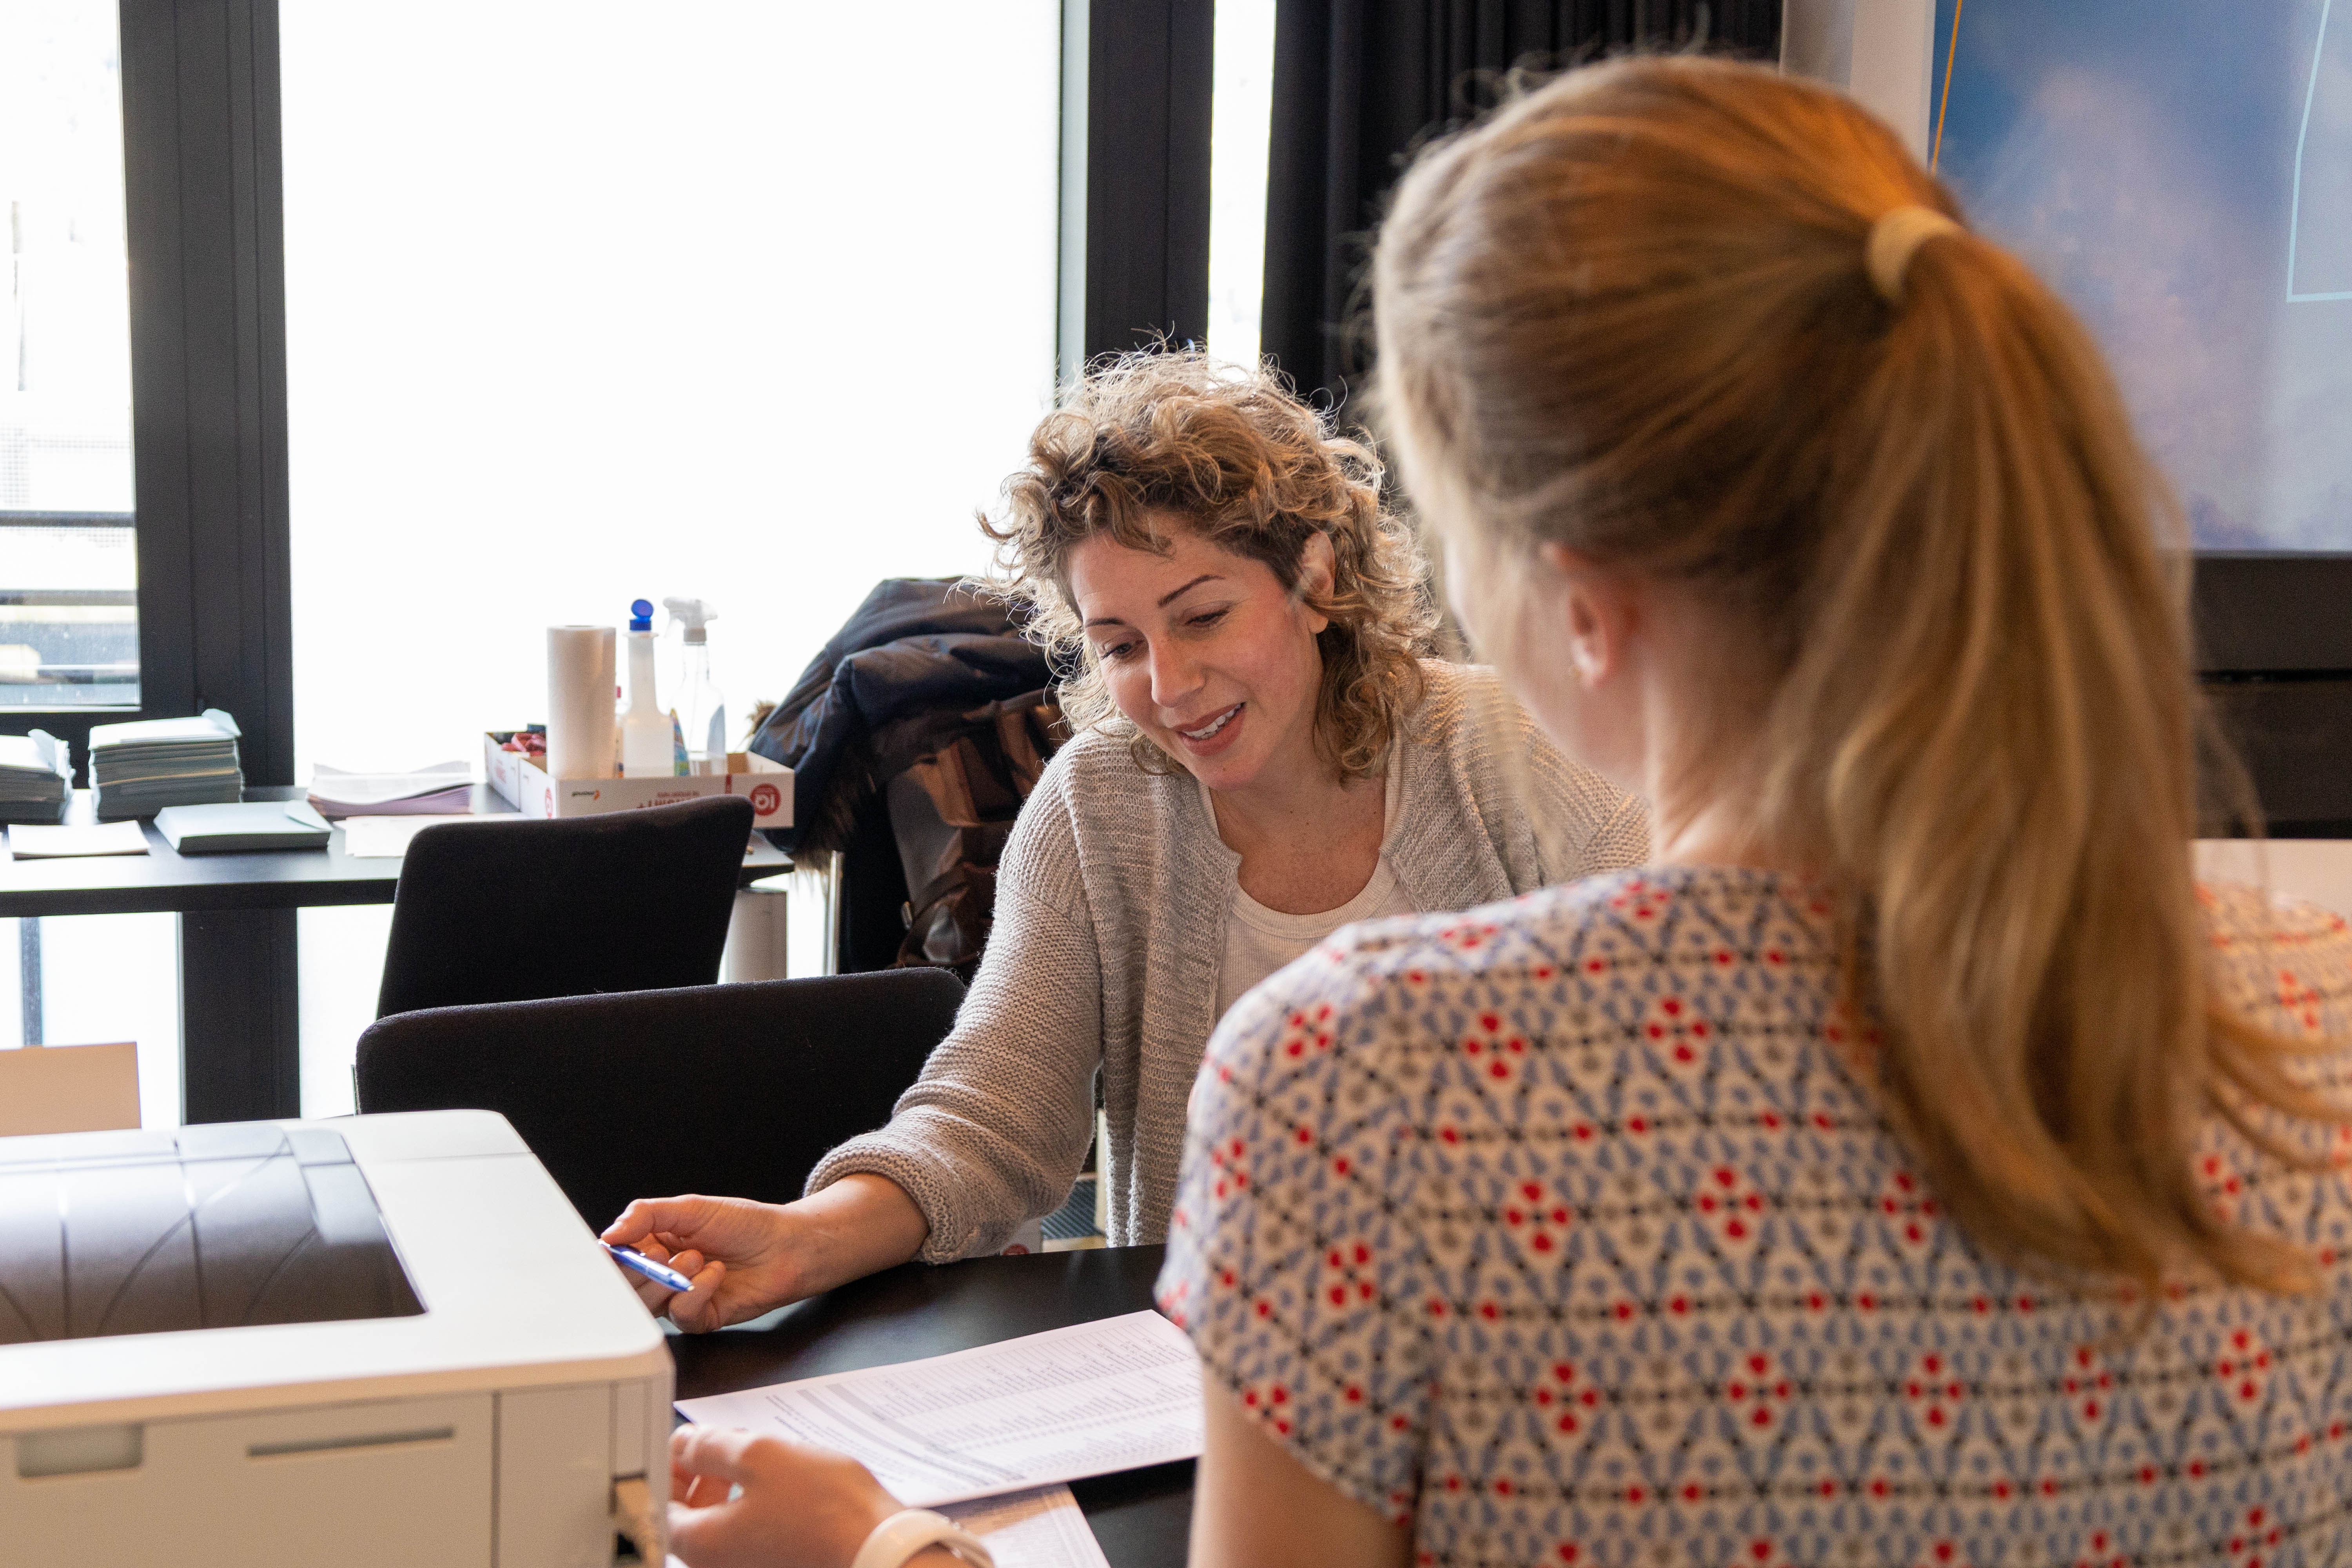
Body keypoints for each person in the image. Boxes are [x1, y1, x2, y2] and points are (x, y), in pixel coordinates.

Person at [651, 53, 2352, 1568]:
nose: (1164, 678)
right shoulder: (2320, 1020)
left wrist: (880, 1545)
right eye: (1120, 641)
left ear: (1576, 598)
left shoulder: (1362, 1091)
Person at [603, 350, 1646, 1338]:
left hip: (1521, 1353)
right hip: (1206, 1369)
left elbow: (1679, 1085)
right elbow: (990, 1121)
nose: (1170, 684)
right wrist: (800, 1241)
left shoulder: (1515, 756)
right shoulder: (1098, 806)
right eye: (1120, 646)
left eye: (1202, 618)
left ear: (1319, 581)